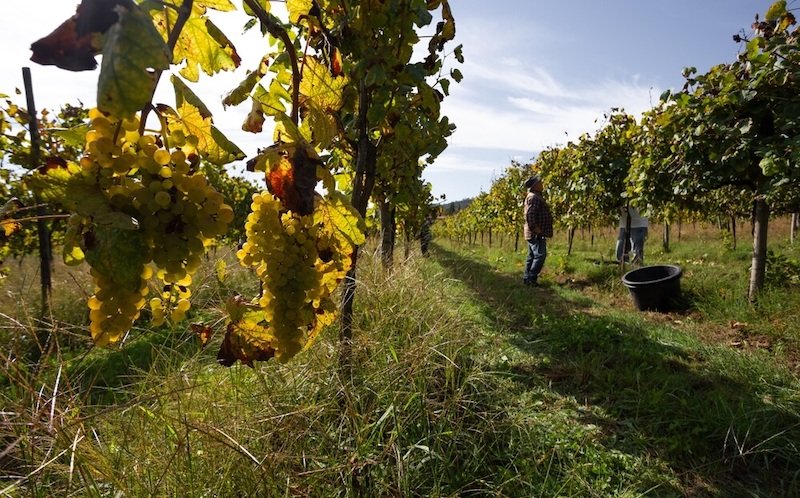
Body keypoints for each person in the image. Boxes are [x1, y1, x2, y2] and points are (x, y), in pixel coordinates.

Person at [522, 175, 553, 286]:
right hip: (535, 233)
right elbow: (530, 215)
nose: (542, 183)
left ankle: (527, 279)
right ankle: (531, 279)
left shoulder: (534, 196)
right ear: (535, 185)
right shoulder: (533, 197)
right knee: (540, 255)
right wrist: (536, 229)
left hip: (533, 232)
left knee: (532, 256)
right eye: (540, 182)